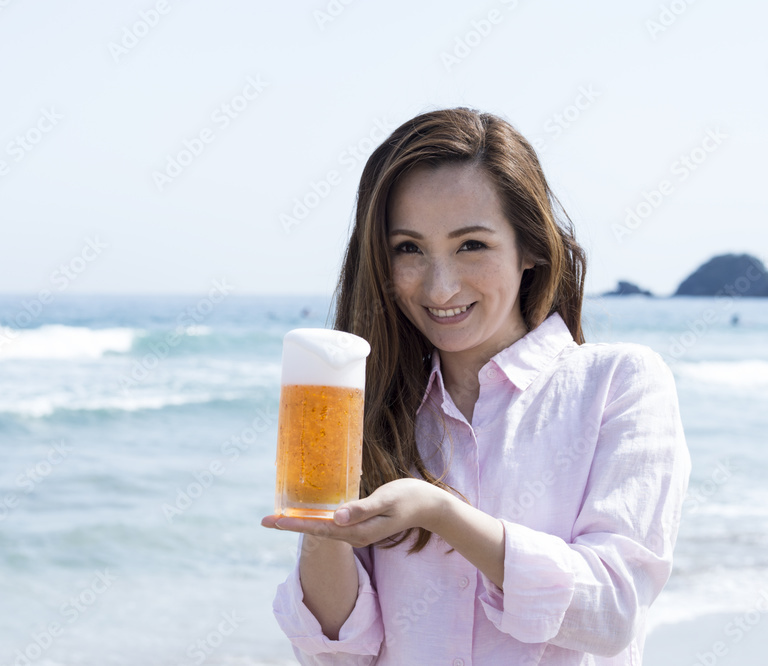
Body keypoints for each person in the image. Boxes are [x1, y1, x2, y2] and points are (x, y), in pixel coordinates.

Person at [261, 108, 691, 665]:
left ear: (531, 248)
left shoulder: (620, 384)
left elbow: (611, 610)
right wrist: (322, 529)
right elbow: (341, 654)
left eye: (471, 245)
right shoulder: (375, 412)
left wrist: (441, 515)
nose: (440, 287)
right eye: (408, 249)